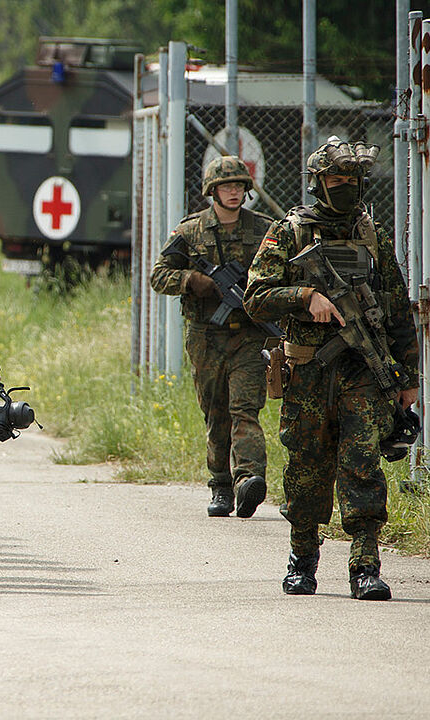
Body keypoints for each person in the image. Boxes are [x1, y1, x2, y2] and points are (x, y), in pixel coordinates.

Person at [244, 137, 419, 601]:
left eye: (353, 179)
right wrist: (306, 297)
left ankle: (365, 566)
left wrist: (409, 378)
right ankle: (302, 561)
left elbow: (397, 309)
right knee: (307, 466)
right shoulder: (289, 232)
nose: (346, 186)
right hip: (308, 372)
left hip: (362, 371)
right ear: (318, 182)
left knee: (363, 466)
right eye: (337, 178)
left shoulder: (372, 234)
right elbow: (255, 296)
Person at [150, 155, 275, 518]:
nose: (233, 192)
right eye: (226, 186)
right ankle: (221, 484)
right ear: (212, 191)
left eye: (238, 186)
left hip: (249, 337)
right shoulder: (191, 231)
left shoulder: (264, 229)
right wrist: (192, 280)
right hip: (206, 337)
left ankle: (249, 479)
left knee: (245, 410)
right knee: (216, 414)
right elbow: (159, 275)